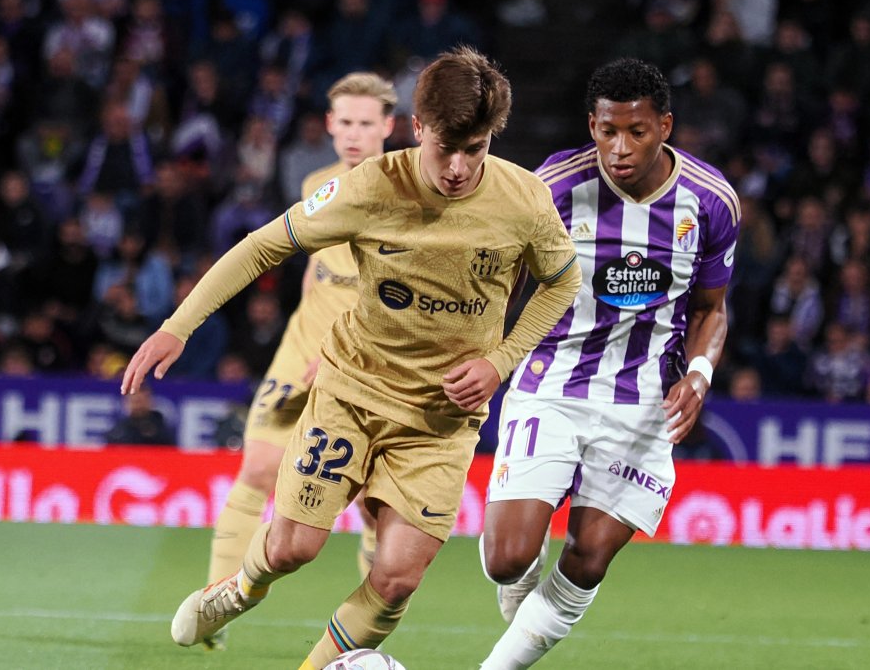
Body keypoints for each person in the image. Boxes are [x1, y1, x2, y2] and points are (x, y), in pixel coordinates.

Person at [120, 47, 581, 669]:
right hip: (352, 396)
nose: (458, 167)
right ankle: (236, 590)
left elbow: (562, 281)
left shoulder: (523, 198)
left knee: (396, 579)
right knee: (291, 550)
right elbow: (262, 248)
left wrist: (501, 362)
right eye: (447, 146)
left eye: (476, 149)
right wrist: (179, 327)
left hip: (440, 422)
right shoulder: (371, 186)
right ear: (418, 127)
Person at [477, 58, 737, 669]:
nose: (619, 148)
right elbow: (508, 284)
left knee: (589, 556)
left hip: (643, 404)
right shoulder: (555, 187)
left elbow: (711, 309)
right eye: (606, 131)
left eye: (636, 132)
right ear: (590, 125)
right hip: (551, 381)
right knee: (507, 559)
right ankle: (521, 578)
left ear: (665, 126)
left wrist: (698, 375)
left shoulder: (710, 202)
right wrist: (489, 357)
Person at [202, 72, 397, 644]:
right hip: (300, 348)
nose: (355, 135)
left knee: (370, 500)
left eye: (367, 123)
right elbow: (316, 270)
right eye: (346, 123)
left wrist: (339, 355)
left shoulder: (401, 195)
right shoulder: (318, 182)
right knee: (258, 468)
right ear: (330, 126)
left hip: (364, 361)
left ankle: (365, 635)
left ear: (388, 126)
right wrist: (308, 339)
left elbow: (390, 298)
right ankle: (215, 606)